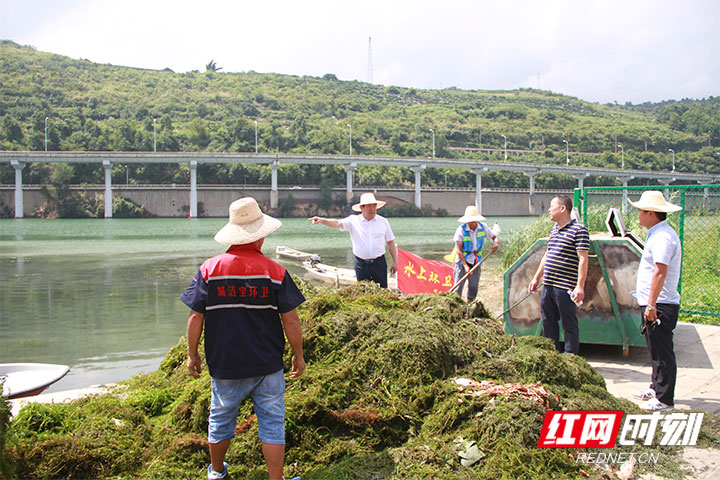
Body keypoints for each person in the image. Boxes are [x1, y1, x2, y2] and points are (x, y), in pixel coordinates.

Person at [180, 197, 305, 480]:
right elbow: (291, 319)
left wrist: (192, 354)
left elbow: (195, 316)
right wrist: (298, 355)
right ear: (260, 237)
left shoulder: (209, 269)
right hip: (268, 364)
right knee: (272, 423)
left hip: (225, 363)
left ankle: (216, 472)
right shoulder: (276, 271)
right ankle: (276, 478)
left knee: (221, 419)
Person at [629, 190, 683, 412]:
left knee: (662, 351)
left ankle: (665, 399)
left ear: (652, 213)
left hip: (660, 304)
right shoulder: (656, 233)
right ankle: (656, 386)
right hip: (654, 302)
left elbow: (660, 272)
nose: (638, 215)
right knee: (654, 348)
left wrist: (651, 304)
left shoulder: (663, 237)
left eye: (641, 211)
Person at [528, 195, 589, 354]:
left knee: (569, 325)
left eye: (551, 206)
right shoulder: (554, 229)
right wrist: (536, 278)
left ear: (562, 208)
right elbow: (547, 254)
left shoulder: (579, 230)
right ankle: (552, 355)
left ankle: (570, 359)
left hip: (565, 287)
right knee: (548, 322)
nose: (548, 210)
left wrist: (580, 287)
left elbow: (583, 259)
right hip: (548, 285)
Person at [309, 192, 398, 288]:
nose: (372, 209)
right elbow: (337, 223)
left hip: (379, 263)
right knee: (362, 291)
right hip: (361, 264)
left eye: (374, 206)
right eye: (369, 206)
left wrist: (395, 261)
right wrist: (322, 220)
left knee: (382, 290)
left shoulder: (383, 222)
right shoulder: (353, 221)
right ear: (362, 208)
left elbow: (390, 242)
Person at [452, 205, 500, 302]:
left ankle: (470, 304)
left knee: (473, 286)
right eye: (469, 220)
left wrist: (495, 243)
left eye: (473, 220)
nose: (471, 222)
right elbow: (459, 251)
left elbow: (495, 238)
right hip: (462, 261)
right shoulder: (461, 230)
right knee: (458, 286)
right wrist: (465, 266)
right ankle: (455, 305)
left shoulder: (483, 227)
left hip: (476, 260)